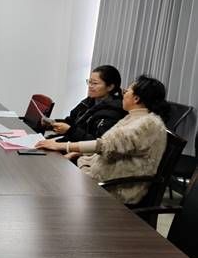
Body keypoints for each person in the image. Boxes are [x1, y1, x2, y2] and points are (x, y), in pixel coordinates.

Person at [36, 75, 169, 205]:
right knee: (49, 176)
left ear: (136, 98)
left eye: (126, 91)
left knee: (50, 183)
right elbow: (114, 147)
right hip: (102, 175)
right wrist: (76, 152)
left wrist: (63, 146)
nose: (123, 95)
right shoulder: (135, 118)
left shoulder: (146, 125)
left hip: (116, 187)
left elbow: (104, 145)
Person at [49, 65, 126, 142]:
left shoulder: (114, 111)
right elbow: (71, 120)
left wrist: (69, 130)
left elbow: (97, 142)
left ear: (110, 87)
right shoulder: (89, 101)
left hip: (80, 147)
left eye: (95, 83)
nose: (90, 86)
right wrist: (51, 123)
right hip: (69, 142)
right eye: (89, 82)